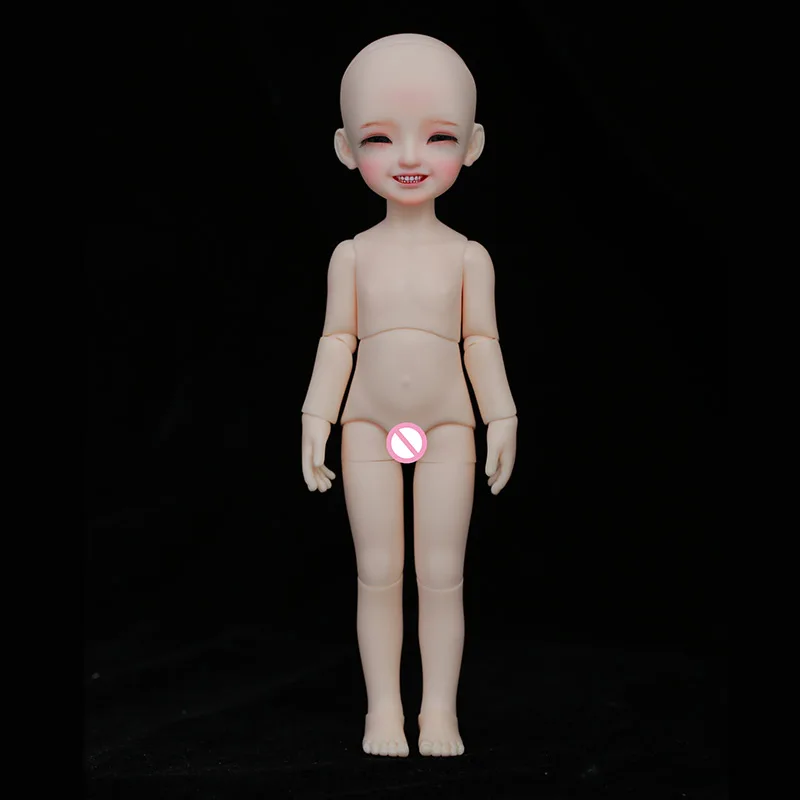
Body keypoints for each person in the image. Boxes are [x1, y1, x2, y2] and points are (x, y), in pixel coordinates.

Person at [301, 33, 517, 757]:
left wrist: (502, 414)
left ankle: (440, 713)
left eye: (439, 136)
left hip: (450, 426)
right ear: (345, 149)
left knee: (443, 575)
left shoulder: (469, 257)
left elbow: (480, 341)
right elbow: (338, 339)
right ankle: (384, 712)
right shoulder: (352, 255)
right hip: (365, 425)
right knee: (377, 573)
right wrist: (316, 415)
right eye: (379, 138)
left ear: (473, 144)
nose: (409, 157)